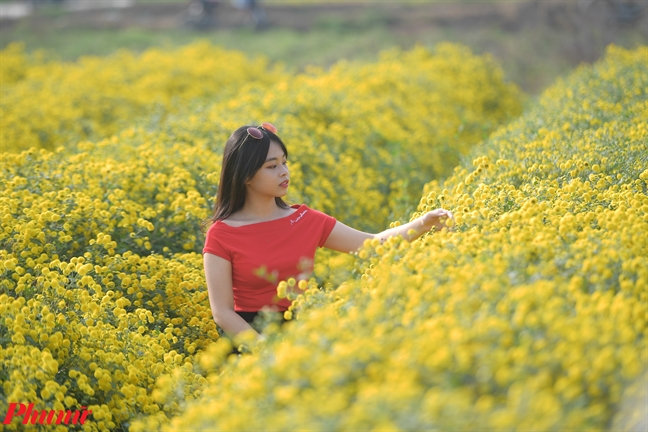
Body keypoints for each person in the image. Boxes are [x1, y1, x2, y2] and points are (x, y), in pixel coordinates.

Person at [201, 122, 454, 354]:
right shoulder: (222, 234)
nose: (284, 172)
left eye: (284, 162)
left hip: (300, 332)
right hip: (247, 341)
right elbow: (222, 312)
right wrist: (265, 350)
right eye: (272, 166)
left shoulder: (305, 220)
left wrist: (423, 223)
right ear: (245, 176)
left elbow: (373, 245)